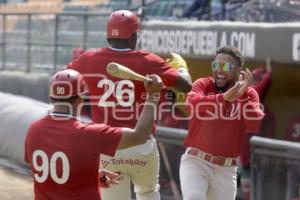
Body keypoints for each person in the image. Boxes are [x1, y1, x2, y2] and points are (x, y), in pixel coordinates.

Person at [67, 10, 192, 200]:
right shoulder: (149, 61)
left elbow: (62, 80)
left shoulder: (88, 59)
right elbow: (186, 86)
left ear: (109, 35)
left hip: (105, 146)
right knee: (148, 192)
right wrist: (180, 67)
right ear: (133, 36)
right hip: (141, 147)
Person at [24, 69, 163, 200]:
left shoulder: (33, 129)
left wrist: (90, 176)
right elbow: (139, 136)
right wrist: (152, 96)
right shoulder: (89, 134)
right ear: (80, 99)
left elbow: (51, 169)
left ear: (51, 98)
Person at [179, 46, 264, 200]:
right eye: (216, 65)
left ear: (238, 71)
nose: (219, 70)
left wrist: (243, 95)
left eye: (225, 66)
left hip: (226, 169)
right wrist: (222, 98)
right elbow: (191, 105)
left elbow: (255, 125)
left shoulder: (249, 94)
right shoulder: (204, 84)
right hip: (196, 161)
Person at [239, 57, 275, 200]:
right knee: (246, 192)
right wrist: (269, 72)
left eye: (255, 79)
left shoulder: (268, 115)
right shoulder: (248, 94)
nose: (253, 83)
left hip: (258, 161)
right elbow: (264, 84)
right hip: (245, 158)